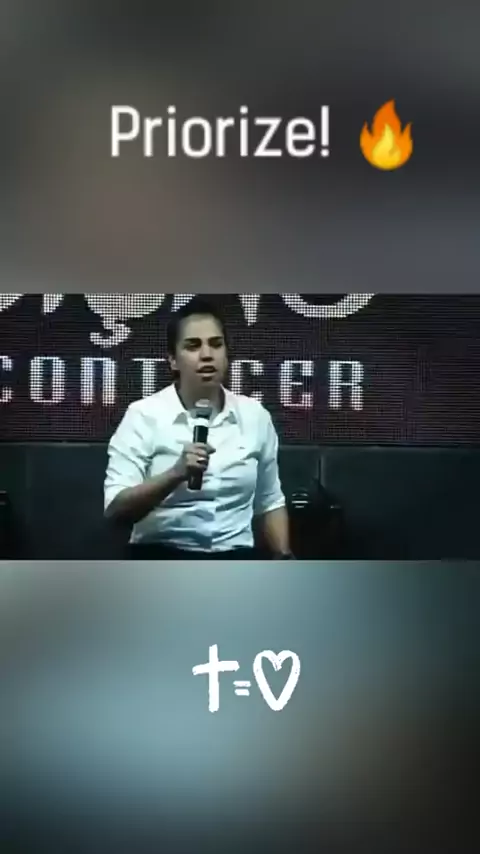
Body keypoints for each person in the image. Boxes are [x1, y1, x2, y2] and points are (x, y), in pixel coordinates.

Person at [104, 298, 293, 559]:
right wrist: (175, 474)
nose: (207, 354)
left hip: (234, 557)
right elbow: (116, 510)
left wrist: (284, 555)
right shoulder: (143, 415)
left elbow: (270, 500)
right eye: (193, 346)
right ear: (173, 360)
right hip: (161, 555)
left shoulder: (255, 416)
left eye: (216, 344)